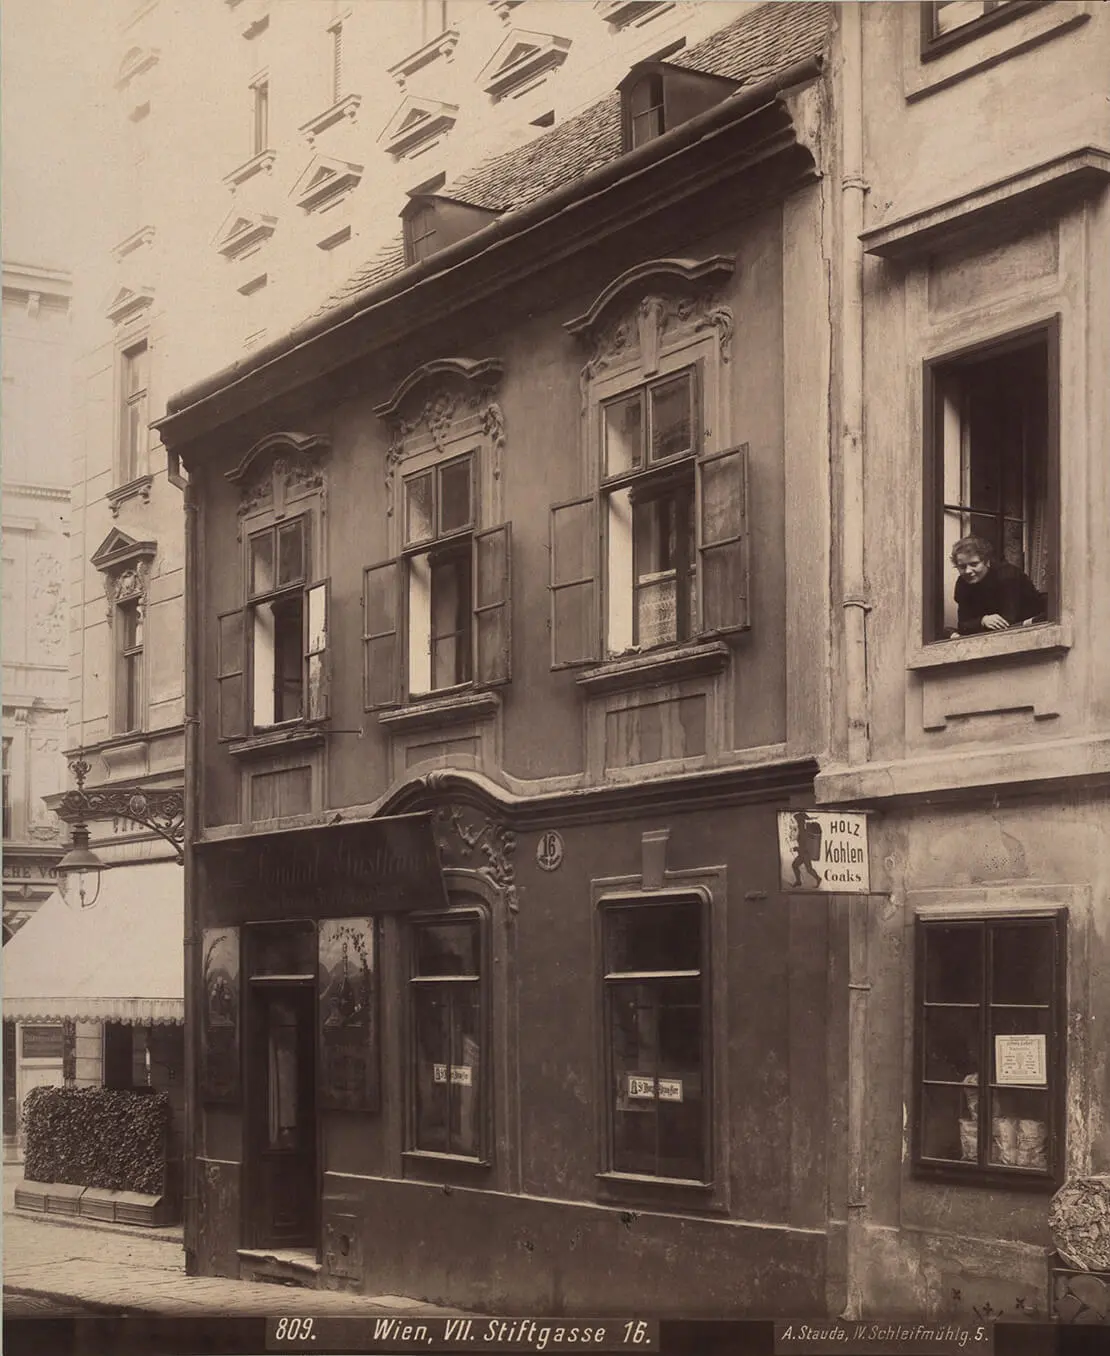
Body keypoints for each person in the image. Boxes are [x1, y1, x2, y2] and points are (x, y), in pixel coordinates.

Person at [949, 535, 1044, 638]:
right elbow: (963, 625)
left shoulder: (1007, 575)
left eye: (974, 564)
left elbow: (1007, 621)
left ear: (986, 562)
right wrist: (983, 620)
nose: (968, 571)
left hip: (1032, 628)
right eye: (962, 567)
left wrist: (976, 625)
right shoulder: (962, 584)